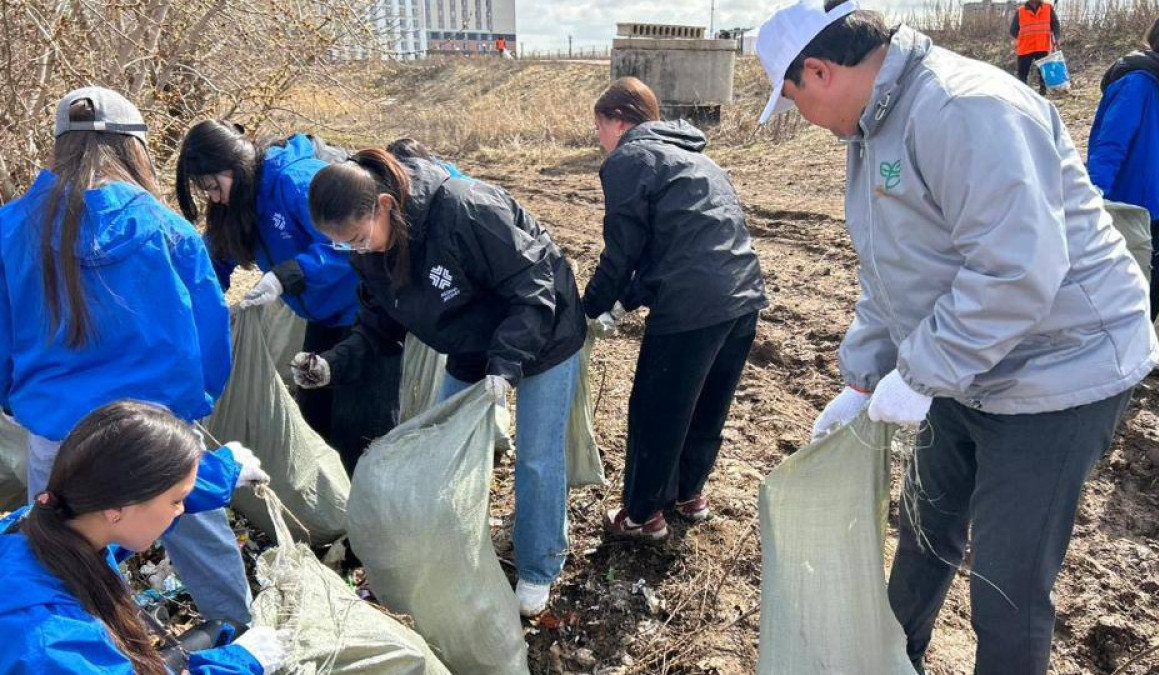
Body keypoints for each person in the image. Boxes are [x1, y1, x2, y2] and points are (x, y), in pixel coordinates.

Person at [754, 2, 1158, 674]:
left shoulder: (962, 108)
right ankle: (889, 659)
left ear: (820, 71)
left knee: (1007, 584)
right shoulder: (875, 126)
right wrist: (862, 376)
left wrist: (918, 374)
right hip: (966, 363)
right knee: (924, 530)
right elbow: (894, 270)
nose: (804, 120)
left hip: (1060, 368)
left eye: (794, 101)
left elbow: (1017, 271)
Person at [291, 147, 586, 617]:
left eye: (359, 237)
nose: (356, 249)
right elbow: (377, 327)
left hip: (545, 330)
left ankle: (538, 566)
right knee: (442, 450)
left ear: (385, 206)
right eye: (344, 244)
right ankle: (455, 548)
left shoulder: (465, 208)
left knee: (536, 455)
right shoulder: (371, 251)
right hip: (470, 343)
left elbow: (534, 286)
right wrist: (332, 364)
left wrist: (505, 365)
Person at [0, 87, 254, 625]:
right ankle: (239, 634)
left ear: (58, 147)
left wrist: (24, 402)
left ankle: (106, 647)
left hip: (60, 433)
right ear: (133, 149)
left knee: (63, 559)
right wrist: (193, 407)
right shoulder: (169, 231)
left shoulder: (10, 229)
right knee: (197, 529)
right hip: (157, 432)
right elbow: (211, 334)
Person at [585, 77, 768, 540]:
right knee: (708, 402)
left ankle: (643, 515)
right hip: (743, 296)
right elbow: (677, 248)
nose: (600, 139)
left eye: (599, 127)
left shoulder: (630, 158)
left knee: (657, 408)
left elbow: (622, 252)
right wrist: (626, 301)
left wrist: (587, 309)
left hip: (691, 307)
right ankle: (689, 493)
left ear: (619, 120)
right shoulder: (697, 157)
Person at [176, 121, 400, 474]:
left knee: (360, 424)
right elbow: (215, 258)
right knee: (314, 413)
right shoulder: (238, 198)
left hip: (367, 309)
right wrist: (195, 306)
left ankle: (372, 512)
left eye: (213, 186)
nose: (214, 197)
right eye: (206, 191)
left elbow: (347, 243)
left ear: (233, 164)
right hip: (323, 314)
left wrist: (290, 273)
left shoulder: (294, 181)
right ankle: (333, 506)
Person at [0, 401, 283, 674]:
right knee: (229, 635)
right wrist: (242, 662)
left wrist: (225, 470)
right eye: (176, 501)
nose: (182, 510)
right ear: (117, 510)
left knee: (223, 628)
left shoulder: (51, 519)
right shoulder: (53, 644)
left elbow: (146, 495)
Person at [1088, 10, 1159, 320]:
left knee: (1154, 282)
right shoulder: (1139, 81)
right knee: (1135, 283)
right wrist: (1094, 193)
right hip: (1136, 204)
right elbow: (1111, 142)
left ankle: (1145, 348)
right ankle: (1133, 350)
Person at [1009, 0, 1061, 95]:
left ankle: (1042, 93)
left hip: (1042, 46)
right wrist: (1023, 38)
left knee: (1043, 73)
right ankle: (1023, 94)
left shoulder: (1048, 8)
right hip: (1025, 48)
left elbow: (1055, 25)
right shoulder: (1020, 11)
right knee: (1023, 75)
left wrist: (1057, 38)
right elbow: (1013, 30)